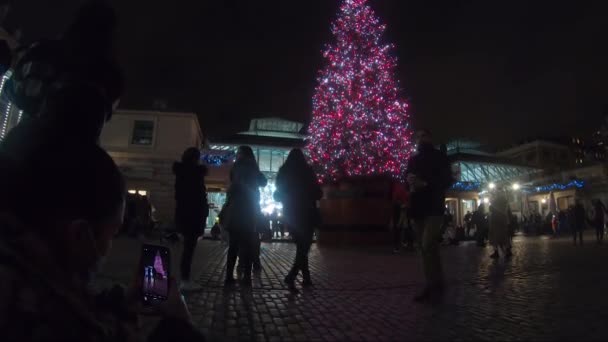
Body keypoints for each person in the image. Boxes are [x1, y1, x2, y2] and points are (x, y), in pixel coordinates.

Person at [0, 141, 204, 341]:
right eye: (113, 233)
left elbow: (72, 300)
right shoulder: (40, 320)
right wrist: (179, 321)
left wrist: (119, 301)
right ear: (79, 235)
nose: (110, 245)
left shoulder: (22, 269)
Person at [406, 130, 454, 302]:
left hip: (434, 207)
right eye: (418, 136)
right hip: (417, 207)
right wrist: (409, 180)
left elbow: (448, 179)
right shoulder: (413, 159)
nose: (420, 138)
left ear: (429, 138)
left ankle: (431, 284)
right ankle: (436, 282)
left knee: (427, 244)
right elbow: (407, 178)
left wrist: (426, 183)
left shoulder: (439, 157)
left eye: (423, 135)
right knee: (427, 247)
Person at [275, 149, 322, 290]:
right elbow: (317, 192)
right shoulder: (308, 172)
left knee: (302, 246)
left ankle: (305, 277)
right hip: (306, 212)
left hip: (291, 213)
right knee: (304, 246)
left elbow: (278, 192)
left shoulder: (284, 172)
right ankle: (293, 275)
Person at [223, 146, 267, 287]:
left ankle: (229, 276)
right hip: (249, 210)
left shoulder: (235, 167)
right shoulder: (252, 167)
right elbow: (263, 182)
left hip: (235, 209)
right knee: (248, 244)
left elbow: (232, 183)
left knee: (233, 246)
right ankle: (247, 278)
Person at [173, 147, 208, 291]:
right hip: (193, 216)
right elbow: (199, 198)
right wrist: (203, 212)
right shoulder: (196, 174)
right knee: (189, 249)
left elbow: (179, 196)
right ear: (195, 158)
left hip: (183, 214)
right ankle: (185, 280)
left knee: (187, 249)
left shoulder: (180, 173)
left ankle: (184, 279)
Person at [488, 189, 511, 259]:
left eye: (498, 192)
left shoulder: (497, 201)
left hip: (496, 221)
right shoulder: (505, 201)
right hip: (501, 221)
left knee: (496, 237)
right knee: (503, 237)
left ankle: (497, 252)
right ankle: (506, 251)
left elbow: (491, 208)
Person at [391, 180, 408, 252]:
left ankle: (398, 245)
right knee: (402, 227)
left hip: (400, 208)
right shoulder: (403, 186)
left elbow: (394, 198)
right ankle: (403, 243)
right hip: (402, 208)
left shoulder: (396, 186)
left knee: (398, 227)